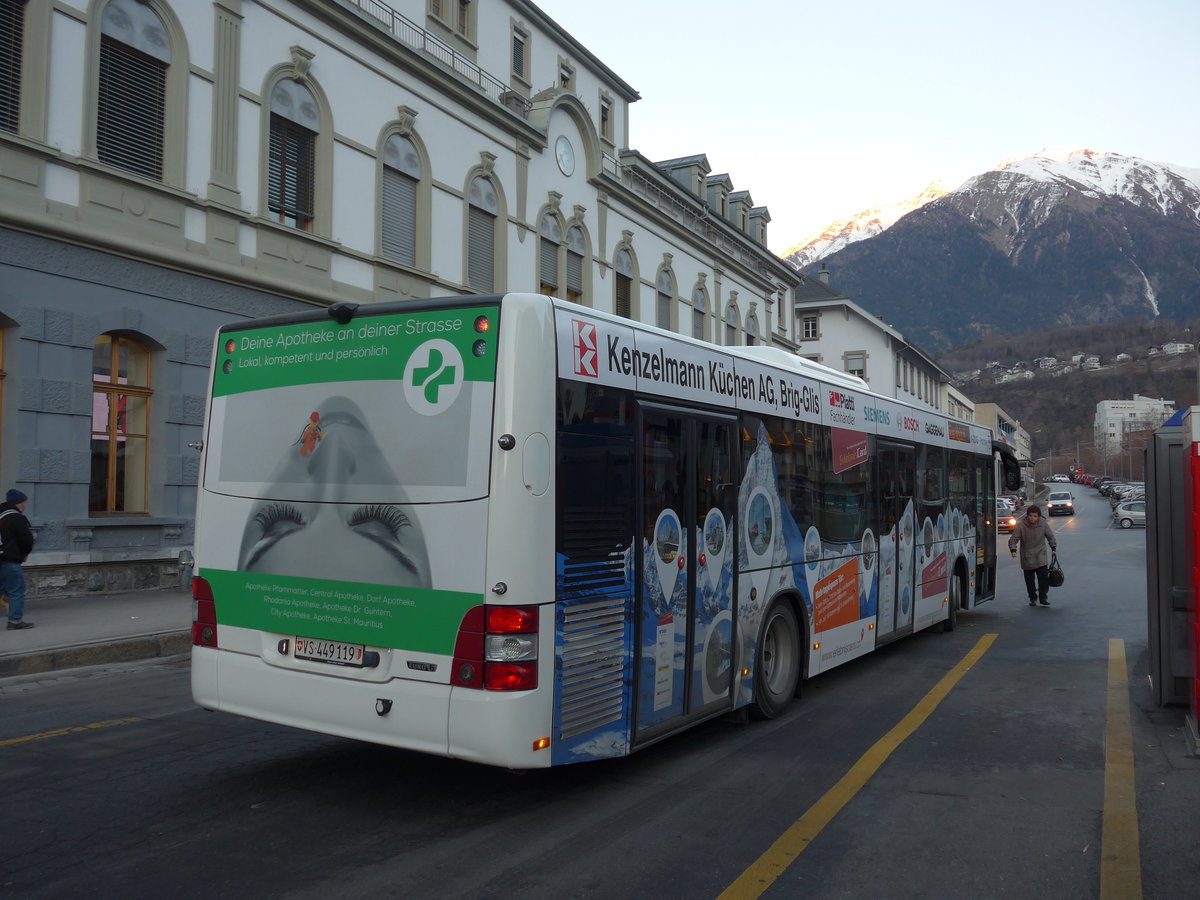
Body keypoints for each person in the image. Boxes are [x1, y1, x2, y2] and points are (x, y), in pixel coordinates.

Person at [1008, 503, 1057, 607]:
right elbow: (1013, 539)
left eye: (1035, 516)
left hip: (1040, 556)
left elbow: (1050, 536)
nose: (1032, 518)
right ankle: (1032, 598)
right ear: (1027, 515)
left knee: (1043, 580)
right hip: (1027, 557)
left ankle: (1043, 597)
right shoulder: (1021, 525)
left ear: (1038, 516)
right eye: (1030, 515)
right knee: (1030, 581)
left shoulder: (1043, 523)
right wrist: (1013, 550)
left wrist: (1053, 548)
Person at [0, 488, 36, 629]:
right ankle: (15, 622)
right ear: (18, 503)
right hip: (10, 559)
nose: (24, 505)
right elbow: (26, 539)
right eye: (24, 502)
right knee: (16, 590)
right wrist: (25, 553)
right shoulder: (16, 518)